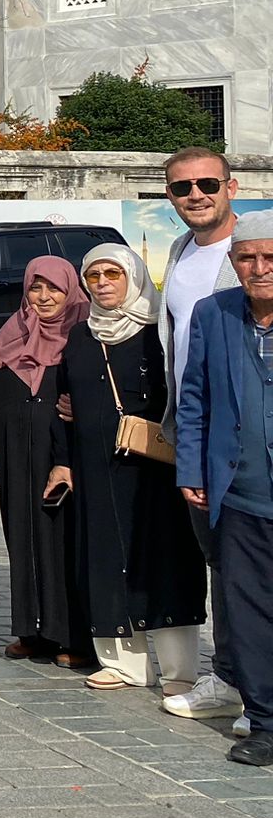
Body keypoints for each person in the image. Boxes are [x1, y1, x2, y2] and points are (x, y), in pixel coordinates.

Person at [68, 245, 206, 693]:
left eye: (113, 273)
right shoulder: (81, 336)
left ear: (134, 278)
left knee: (164, 557)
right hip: (97, 466)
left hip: (154, 469)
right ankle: (123, 662)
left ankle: (179, 669)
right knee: (106, 556)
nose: (104, 282)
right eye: (94, 275)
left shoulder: (156, 333)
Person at [176, 212, 273, 766]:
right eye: (246, 258)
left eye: (269, 258)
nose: (258, 269)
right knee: (246, 611)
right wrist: (191, 468)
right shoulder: (213, 313)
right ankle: (264, 722)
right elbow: (194, 400)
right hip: (238, 492)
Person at [157, 146, 247, 727]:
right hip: (195, 431)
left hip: (247, 431)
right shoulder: (181, 249)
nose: (196, 195)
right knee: (222, 562)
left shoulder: (254, 251)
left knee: (252, 563)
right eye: (182, 188)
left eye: (207, 184)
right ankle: (236, 677)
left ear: (231, 186)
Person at [0, 257, 86, 666]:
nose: (44, 297)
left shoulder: (82, 336)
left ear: (69, 289)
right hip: (14, 453)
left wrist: (67, 458)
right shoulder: (9, 335)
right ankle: (31, 631)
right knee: (21, 539)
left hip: (63, 459)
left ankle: (73, 637)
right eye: (35, 287)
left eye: (53, 288)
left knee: (63, 543)